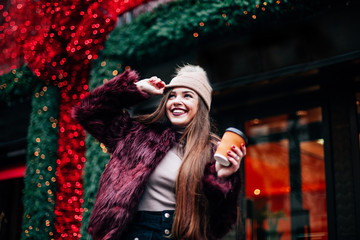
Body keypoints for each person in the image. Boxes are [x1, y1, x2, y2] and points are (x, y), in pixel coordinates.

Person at [72, 64, 246, 240]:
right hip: (135, 233)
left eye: (187, 95)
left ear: (201, 106)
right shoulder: (137, 136)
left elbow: (219, 225)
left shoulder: (213, 151)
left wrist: (222, 180)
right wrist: (135, 89)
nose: (177, 101)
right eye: (171, 96)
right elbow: (89, 113)